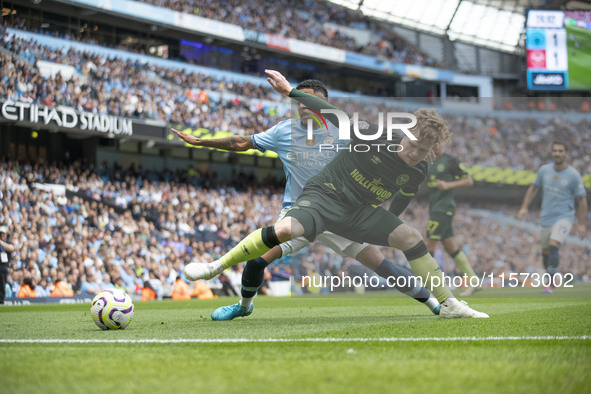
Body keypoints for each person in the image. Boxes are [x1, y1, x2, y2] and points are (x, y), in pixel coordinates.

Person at [184, 69, 488, 318]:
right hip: (307, 206)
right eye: (301, 104)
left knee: (386, 265)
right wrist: (201, 142)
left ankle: (439, 305)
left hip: (349, 212)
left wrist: (420, 149)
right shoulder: (283, 132)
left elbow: (388, 149)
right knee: (257, 261)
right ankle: (242, 305)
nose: (306, 108)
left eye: (312, 103)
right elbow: (240, 143)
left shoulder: (347, 132)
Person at [517, 141, 587, 293]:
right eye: (555, 151)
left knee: (554, 244)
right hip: (546, 217)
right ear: (551, 153)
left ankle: (550, 284)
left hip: (564, 216)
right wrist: (524, 208)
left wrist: (581, 224)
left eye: (560, 151)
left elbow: (582, 200)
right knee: (546, 252)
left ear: (566, 153)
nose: (557, 153)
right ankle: (550, 278)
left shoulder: (573, 175)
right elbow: (533, 188)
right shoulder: (544, 170)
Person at [424, 144, 479, 296]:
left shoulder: (450, 160)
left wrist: (449, 184)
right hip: (434, 207)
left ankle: (430, 283)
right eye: (432, 142)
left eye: (437, 142)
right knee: (450, 246)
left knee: (429, 243)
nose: (434, 146)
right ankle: (474, 281)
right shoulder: (428, 161)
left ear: (442, 142)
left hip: (443, 208)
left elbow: (469, 180)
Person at [0, 225, 16, 304]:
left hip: (4, 267)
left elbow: (11, 248)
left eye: (4, 234)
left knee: (3, 285)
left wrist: (1, 242)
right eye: (1, 234)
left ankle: (1, 301)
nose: (3, 235)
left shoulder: (7, 243)